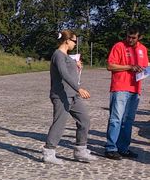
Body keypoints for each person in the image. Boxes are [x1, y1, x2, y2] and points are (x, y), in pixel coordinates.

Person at [42, 30, 96, 164]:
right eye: (74, 41)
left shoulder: (66, 56)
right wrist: (79, 88)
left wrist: (75, 65)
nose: (75, 44)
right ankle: (49, 152)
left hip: (73, 96)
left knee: (84, 121)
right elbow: (63, 74)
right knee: (59, 123)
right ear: (67, 40)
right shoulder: (58, 55)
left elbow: (69, 67)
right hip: (61, 96)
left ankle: (80, 150)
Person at [104, 26, 147, 160]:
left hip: (135, 89)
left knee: (128, 121)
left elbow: (145, 67)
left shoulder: (142, 49)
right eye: (128, 36)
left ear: (139, 37)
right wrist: (129, 67)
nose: (130, 39)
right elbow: (110, 66)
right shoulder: (119, 46)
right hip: (120, 87)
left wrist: (143, 70)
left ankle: (123, 148)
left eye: (133, 37)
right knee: (116, 119)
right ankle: (111, 148)